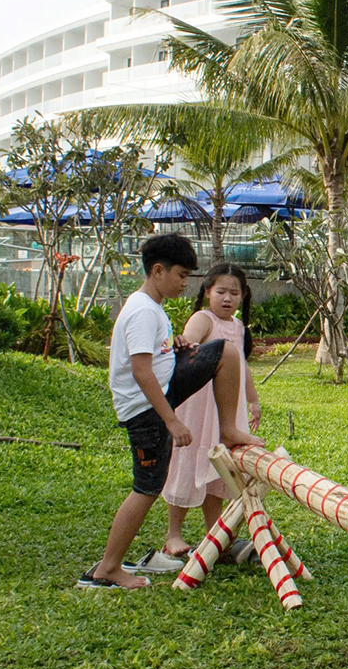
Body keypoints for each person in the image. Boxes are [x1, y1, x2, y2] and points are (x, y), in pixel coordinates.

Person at [79, 235, 263, 590]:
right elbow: (141, 371)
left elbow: (155, 359)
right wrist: (172, 419)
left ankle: (228, 429)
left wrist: (174, 346)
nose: (183, 283)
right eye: (181, 275)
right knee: (146, 488)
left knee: (224, 352)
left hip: (163, 393)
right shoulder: (143, 311)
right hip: (148, 409)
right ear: (158, 270)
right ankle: (108, 568)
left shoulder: (152, 308)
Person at [161, 262, 262, 558]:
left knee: (218, 472)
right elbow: (189, 348)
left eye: (234, 293)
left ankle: (215, 536)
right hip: (198, 407)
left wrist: (253, 400)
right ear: (207, 292)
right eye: (221, 291)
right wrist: (182, 341)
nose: (227, 298)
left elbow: (241, 366)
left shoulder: (238, 326)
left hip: (226, 409)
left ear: (243, 296)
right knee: (188, 463)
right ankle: (173, 535)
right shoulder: (202, 318)